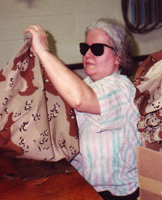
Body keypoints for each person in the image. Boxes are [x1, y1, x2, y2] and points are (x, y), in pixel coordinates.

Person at [24, 18, 142, 200]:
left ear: (119, 57)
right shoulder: (87, 84)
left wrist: (43, 51)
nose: (88, 54)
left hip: (116, 193)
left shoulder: (120, 88)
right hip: (84, 184)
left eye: (97, 49)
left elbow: (79, 99)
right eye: (84, 48)